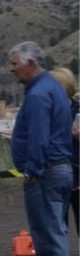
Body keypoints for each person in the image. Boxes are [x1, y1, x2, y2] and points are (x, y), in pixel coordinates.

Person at [9, 42, 74, 256]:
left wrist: (33, 171)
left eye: (15, 64)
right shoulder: (53, 88)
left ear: (31, 64)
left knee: (47, 236)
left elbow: (38, 138)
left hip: (45, 173)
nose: (11, 69)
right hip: (61, 169)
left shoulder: (37, 96)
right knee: (55, 233)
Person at [48, 66, 79, 234]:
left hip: (78, 176)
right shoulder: (46, 112)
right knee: (58, 229)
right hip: (56, 179)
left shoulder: (78, 110)